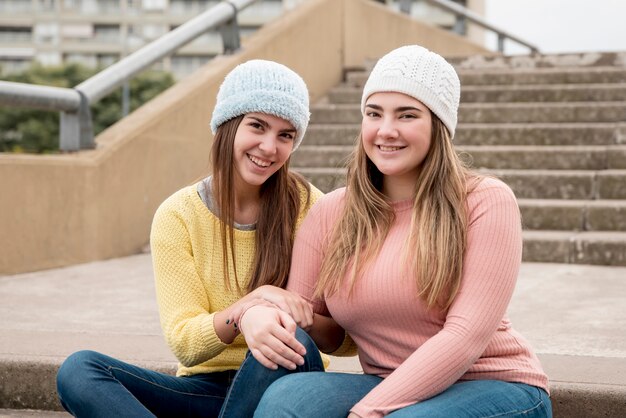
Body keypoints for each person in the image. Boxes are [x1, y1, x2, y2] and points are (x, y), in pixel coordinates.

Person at [240, 45, 552, 417]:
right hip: (386, 379)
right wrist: (255, 314)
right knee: (286, 400)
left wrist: (368, 411)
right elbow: (306, 320)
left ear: (438, 125)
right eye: (374, 113)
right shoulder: (331, 212)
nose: (386, 131)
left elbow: (465, 337)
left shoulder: (484, 200)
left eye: (407, 115)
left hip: (494, 384)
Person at [55, 59, 326, 418]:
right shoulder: (178, 214)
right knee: (80, 370)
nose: (268, 147)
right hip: (203, 390)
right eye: (257, 126)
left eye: (285, 135)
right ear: (227, 125)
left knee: (291, 342)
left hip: (281, 383)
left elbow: (348, 338)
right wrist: (245, 312)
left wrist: (286, 317)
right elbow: (185, 341)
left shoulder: (312, 207)